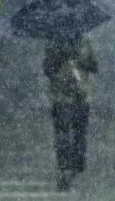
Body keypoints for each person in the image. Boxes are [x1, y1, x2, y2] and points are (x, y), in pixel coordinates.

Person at [43, 34, 99, 191]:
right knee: (62, 135)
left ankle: (76, 169)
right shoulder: (53, 42)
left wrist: (78, 62)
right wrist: (61, 63)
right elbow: (47, 68)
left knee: (79, 135)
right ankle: (63, 170)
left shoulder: (86, 42)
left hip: (81, 96)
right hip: (60, 97)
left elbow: (94, 66)